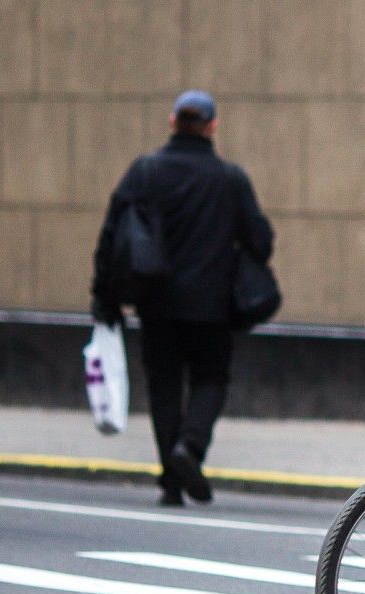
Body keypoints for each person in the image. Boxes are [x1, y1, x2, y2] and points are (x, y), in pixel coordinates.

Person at [91, 91, 274, 507]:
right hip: (213, 307)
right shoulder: (230, 178)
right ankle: (189, 448)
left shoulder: (145, 172)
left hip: (155, 303)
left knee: (164, 386)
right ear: (212, 126)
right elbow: (260, 241)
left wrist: (104, 296)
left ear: (173, 121)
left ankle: (171, 483)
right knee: (211, 379)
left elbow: (112, 235)